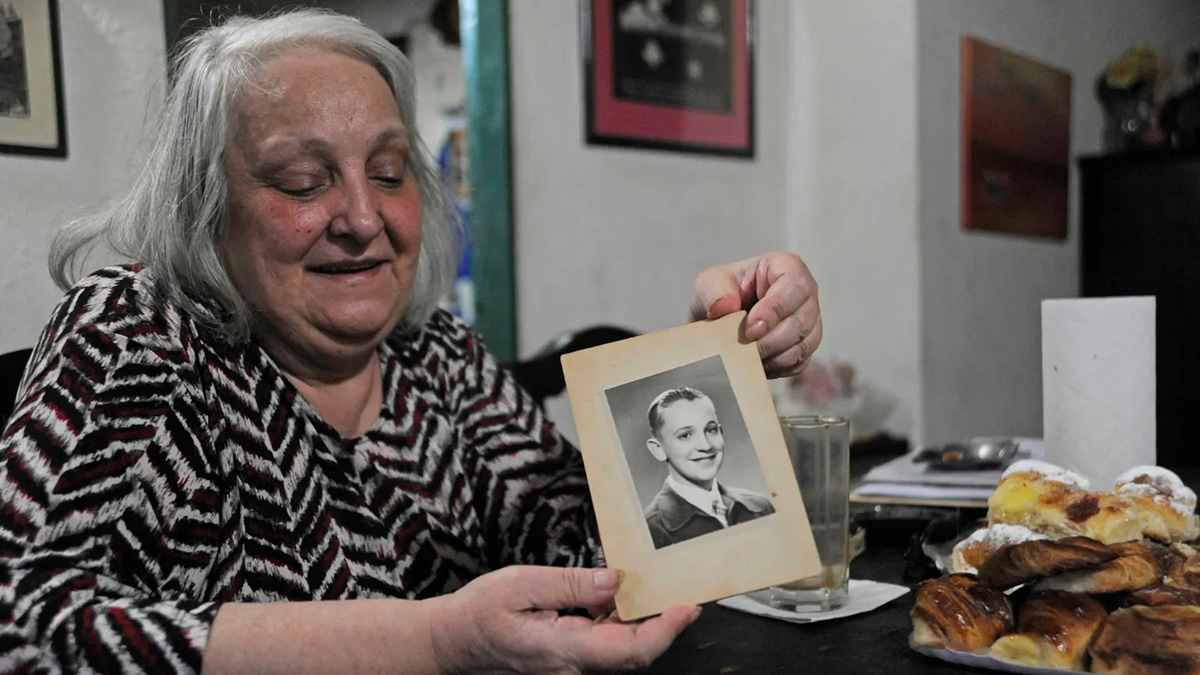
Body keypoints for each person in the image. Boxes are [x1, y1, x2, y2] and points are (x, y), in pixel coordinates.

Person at [0, 9, 823, 675]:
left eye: (389, 173)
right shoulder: (137, 333)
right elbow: (23, 622)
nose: (364, 218)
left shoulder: (435, 354)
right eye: (303, 180)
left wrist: (710, 355)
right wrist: (433, 642)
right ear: (204, 205)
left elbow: (591, 554)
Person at [643, 387, 774, 548]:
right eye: (685, 435)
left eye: (711, 430)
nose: (705, 445)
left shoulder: (760, 507)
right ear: (658, 449)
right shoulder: (649, 531)